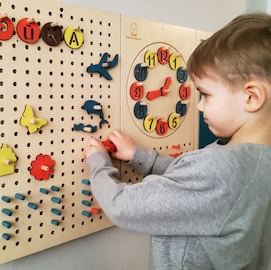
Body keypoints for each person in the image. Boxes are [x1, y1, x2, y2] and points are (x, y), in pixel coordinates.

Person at [84, 13, 271, 270]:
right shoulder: (254, 163)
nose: (199, 106)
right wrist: (138, 155)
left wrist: (98, 163)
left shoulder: (223, 168)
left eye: (205, 94)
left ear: (251, 97)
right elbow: (193, 182)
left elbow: (121, 206)